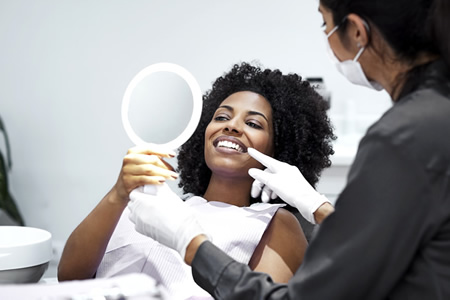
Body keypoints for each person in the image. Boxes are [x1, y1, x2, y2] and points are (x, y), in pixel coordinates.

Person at [126, 0, 450, 299]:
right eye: (222, 116)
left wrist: (192, 244)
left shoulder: (403, 138)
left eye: (326, 25)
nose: (232, 127)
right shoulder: (433, 118)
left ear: (356, 31)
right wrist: (319, 208)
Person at [57, 62, 335, 299]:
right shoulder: (150, 206)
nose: (231, 126)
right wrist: (118, 194)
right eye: (222, 117)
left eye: (253, 123)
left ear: (279, 149)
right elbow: (70, 277)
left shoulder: (274, 222)